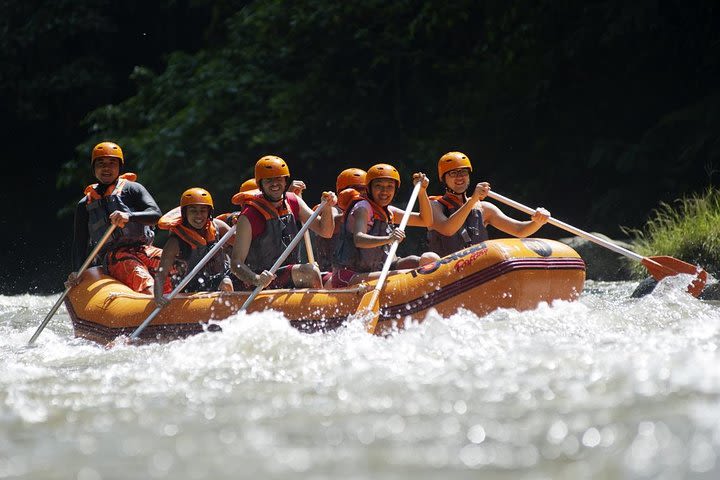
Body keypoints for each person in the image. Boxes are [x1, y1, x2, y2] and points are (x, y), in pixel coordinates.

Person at [66, 141, 165, 294]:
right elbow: (79, 242)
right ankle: (153, 300)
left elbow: (155, 215)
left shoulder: (133, 189)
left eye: (112, 163)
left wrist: (129, 216)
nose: (106, 168)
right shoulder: (84, 204)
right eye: (101, 164)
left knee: (176, 264)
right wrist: (76, 271)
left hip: (143, 249)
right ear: (94, 169)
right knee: (140, 275)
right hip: (113, 256)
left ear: (120, 167)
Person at [230, 155, 337, 290]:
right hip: (263, 278)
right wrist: (256, 279)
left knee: (332, 280)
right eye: (269, 180)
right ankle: (321, 308)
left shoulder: (293, 201)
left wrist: (327, 207)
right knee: (310, 272)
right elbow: (236, 263)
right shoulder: (249, 216)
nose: (275, 183)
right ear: (260, 184)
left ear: (286, 181)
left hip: (289, 274)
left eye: (279, 179)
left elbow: (326, 232)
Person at [330, 163, 439, 288]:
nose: (384, 191)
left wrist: (422, 191)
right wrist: (389, 238)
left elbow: (426, 221)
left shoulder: (389, 211)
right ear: (369, 188)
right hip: (350, 275)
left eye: (390, 186)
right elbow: (359, 239)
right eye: (379, 186)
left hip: (378, 269)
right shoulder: (362, 208)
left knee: (429, 259)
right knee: (408, 275)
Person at [427, 151, 551, 258]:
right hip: (446, 273)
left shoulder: (483, 208)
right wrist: (473, 200)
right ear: (444, 178)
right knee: (428, 258)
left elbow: (519, 230)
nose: (459, 177)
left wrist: (538, 221)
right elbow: (448, 229)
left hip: (476, 269)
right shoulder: (434, 205)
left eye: (463, 172)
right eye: (453, 173)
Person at [153, 188, 234, 307]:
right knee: (224, 282)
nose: (199, 215)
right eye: (193, 211)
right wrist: (158, 296)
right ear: (185, 213)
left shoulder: (218, 227)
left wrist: (239, 221)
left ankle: (228, 310)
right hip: (189, 286)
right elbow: (161, 274)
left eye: (203, 211)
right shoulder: (175, 243)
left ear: (209, 213)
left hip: (219, 278)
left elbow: (242, 242)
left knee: (226, 282)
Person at [311, 168, 367, 272]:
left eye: (364, 189)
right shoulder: (328, 209)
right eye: (357, 189)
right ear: (342, 191)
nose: (361, 194)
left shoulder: (367, 209)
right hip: (331, 273)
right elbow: (332, 226)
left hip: (359, 270)